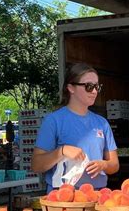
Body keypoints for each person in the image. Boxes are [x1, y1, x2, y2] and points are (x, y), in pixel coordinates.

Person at [32, 63, 119, 193]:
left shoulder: (102, 123)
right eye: (89, 86)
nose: (94, 91)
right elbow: (36, 165)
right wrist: (61, 151)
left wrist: (104, 165)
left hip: (98, 196)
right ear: (71, 88)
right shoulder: (54, 121)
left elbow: (114, 164)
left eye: (97, 86)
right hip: (64, 197)